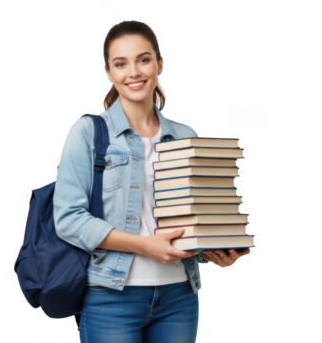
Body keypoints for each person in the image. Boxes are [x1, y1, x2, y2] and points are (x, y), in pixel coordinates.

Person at [53, 20, 251, 343]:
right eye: (121, 63)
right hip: (111, 295)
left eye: (143, 60)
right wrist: (146, 246)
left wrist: (213, 250)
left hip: (179, 295)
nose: (134, 72)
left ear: (160, 64)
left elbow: (189, 222)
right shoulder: (87, 133)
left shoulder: (185, 136)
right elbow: (68, 219)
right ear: (108, 72)